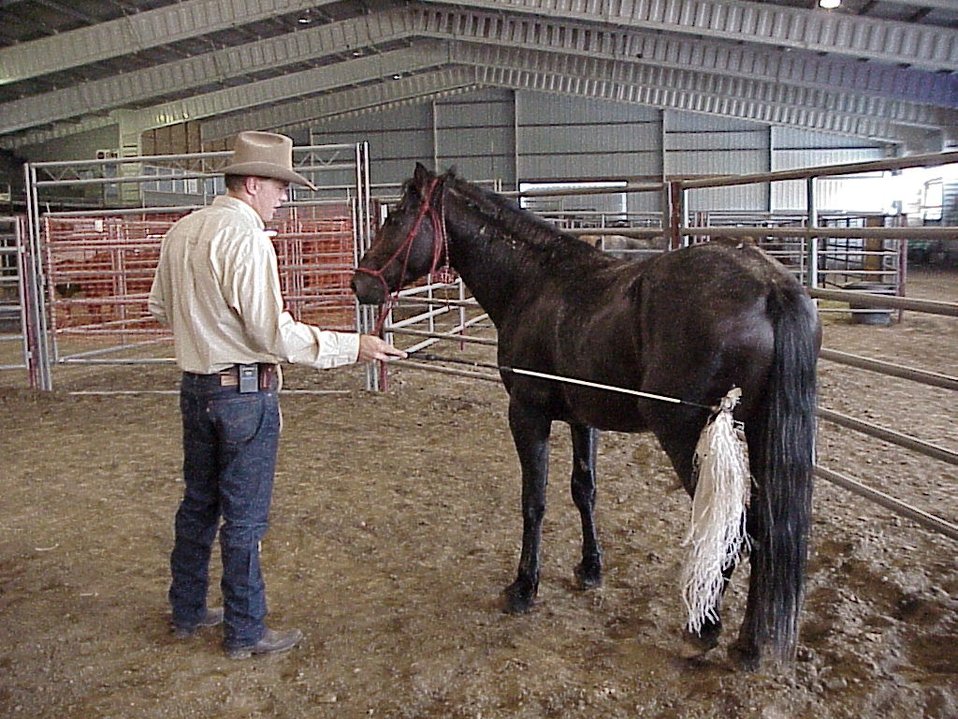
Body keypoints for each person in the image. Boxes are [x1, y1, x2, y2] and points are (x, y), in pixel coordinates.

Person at [148, 130, 405, 660]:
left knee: (198, 504)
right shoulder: (244, 239)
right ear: (250, 183)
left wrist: (206, 329)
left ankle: (188, 611)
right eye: (278, 186)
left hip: (197, 387)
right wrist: (349, 346)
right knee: (243, 518)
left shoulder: (183, 231)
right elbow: (272, 334)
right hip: (243, 394)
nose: (284, 198)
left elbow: (160, 306)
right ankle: (245, 630)